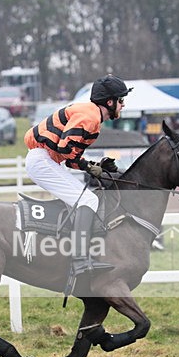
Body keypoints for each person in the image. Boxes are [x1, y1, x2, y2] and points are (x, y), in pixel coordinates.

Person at [24, 74, 131, 295]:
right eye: (120, 100)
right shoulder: (90, 117)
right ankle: (80, 260)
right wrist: (89, 166)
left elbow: (70, 157)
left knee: (83, 198)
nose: (123, 105)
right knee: (88, 199)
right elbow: (66, 148)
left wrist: (95, 166)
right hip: (42, 160)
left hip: (45, 159)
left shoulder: (91, 116)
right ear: (109, 102)